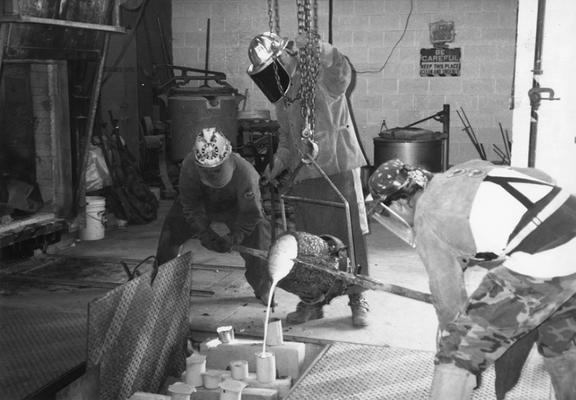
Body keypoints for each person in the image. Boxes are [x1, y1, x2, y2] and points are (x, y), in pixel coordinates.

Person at [368, 158, 576, 400]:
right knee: (560, 344)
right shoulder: (462, 169)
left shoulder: (426, 219)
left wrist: (459, 339)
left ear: (402, 202)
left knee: (456, 354)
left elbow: (449, 302)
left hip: (545, 259)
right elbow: (540, 176)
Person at [247, 32, 371, 327]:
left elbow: (340, 68)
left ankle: (357, 298)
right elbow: (288, 139)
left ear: (284, 58)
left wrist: (314, 47)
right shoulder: (283, 95)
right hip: (304, 173)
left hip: (338, 169)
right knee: (309, 244)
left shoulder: (323, 79)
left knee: (349, 238)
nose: (270, 77)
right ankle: (313, 301)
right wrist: (276, 165)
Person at [155, 127, 273, 304]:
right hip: (203, 201)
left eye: (217, 170)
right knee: (171, 230)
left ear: (227, 158)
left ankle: (263, 287)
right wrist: (204, 233)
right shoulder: (189, 166)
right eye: (208, 172)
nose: (213, 175)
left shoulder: (246, 174)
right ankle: (160, 283)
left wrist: (235, 237)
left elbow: (251, 213)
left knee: (259, 233)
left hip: (236, 206)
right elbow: (190, 205)